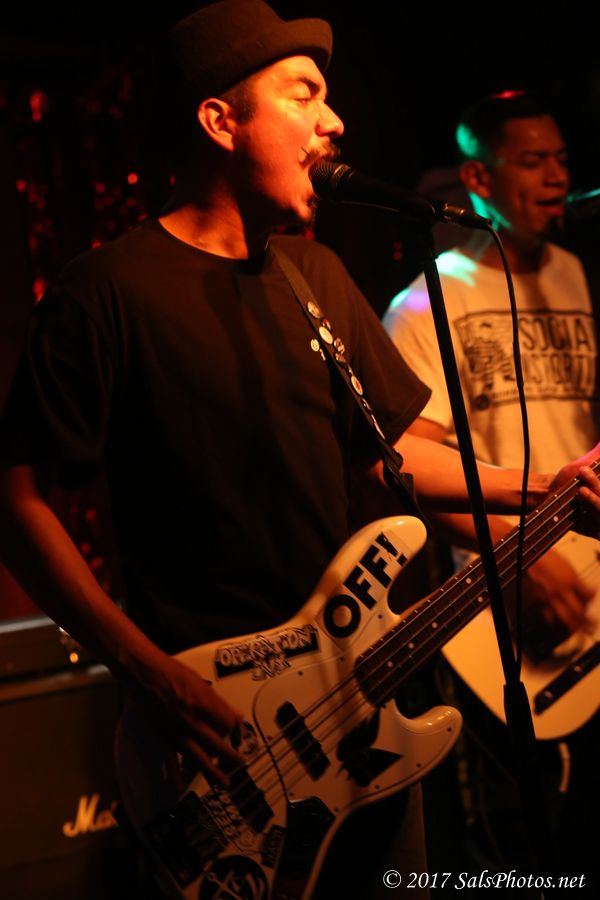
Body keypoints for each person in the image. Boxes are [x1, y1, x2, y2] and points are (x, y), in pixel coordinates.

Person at [0, 11, 599, 895]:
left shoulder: (312, 277)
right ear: (220, 120)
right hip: (217, 732)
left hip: (361, 706)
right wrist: (145, 672)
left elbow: (395, 461)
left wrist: (548, 485)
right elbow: (18, 499)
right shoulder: (105, 291)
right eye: (305, 94)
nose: (335, 120)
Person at [384, 91, 599, 885]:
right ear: (478, 178)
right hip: (498, 601)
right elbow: (408, 469)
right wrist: (518, 557)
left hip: (589, 580)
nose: (556, 176)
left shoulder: (574, 273)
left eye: (562, 159)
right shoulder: (428, 299)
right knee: (524, 841)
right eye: (533, 161)